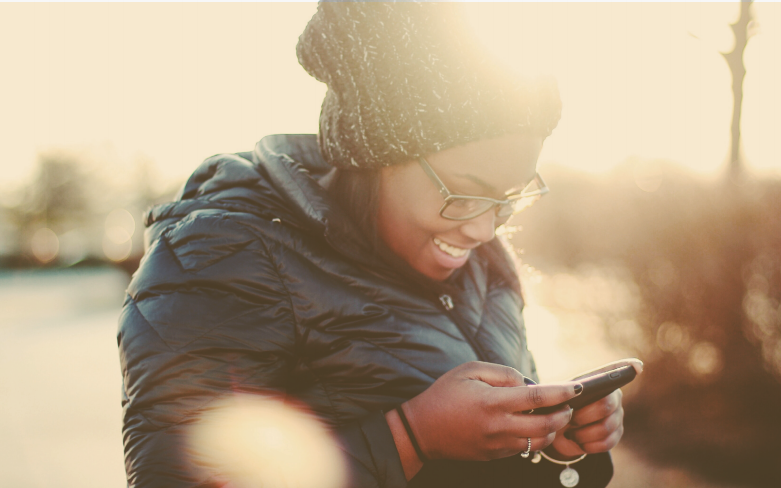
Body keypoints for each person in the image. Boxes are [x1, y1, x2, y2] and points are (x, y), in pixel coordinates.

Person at [118, 3, 641, 487]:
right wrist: (409, 438)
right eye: (465, 193)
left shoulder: (479, 259)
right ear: (376, 155)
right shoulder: (222, 256)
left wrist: (557, 443)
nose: (486, 230)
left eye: (509, 198)